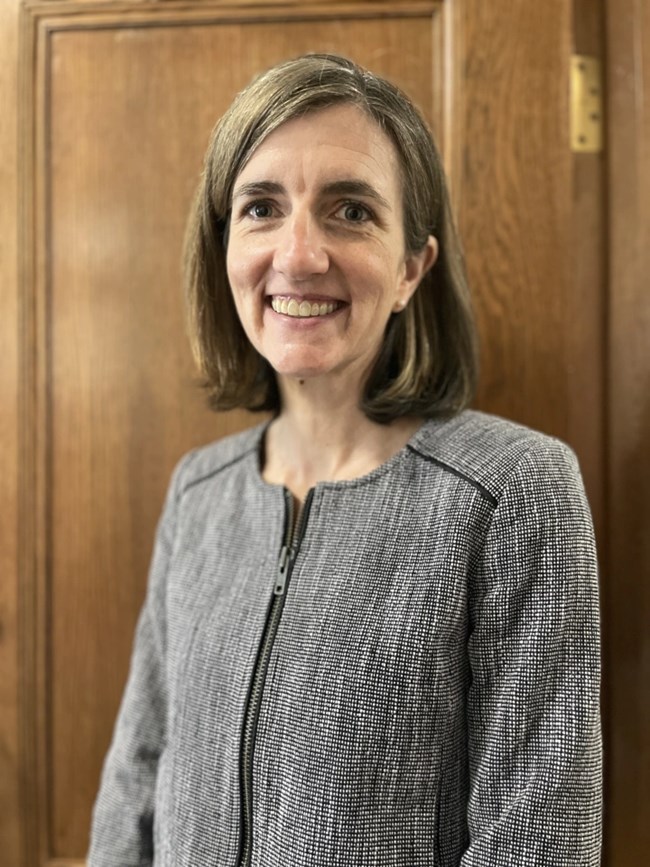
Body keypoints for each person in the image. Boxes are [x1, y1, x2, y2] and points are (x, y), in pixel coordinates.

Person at [88, 54, 602, 866]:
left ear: (411, 269)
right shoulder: (198, 493)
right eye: (262, 207)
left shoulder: (512, 491)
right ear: (224, 248)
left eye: (351, 211)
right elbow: (135, 785)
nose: (298, 254)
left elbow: (538, 836)